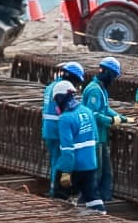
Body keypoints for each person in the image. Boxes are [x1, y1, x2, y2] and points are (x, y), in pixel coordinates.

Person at [82, 56, 130, 203]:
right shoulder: (95, 91)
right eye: (114, 76)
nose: (114, 79)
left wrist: (121, 117)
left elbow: (105, 108)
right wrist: (110, 121)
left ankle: (105, 199)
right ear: (108, 73)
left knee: (106, 172)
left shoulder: (101, 89)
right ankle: (87, 200)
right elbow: (92, 113)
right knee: (96, 171)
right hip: (94, 137)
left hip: (101, 136)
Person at [52, 82, 105, 214]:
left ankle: (59, 222)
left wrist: (66, 171)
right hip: (90, 164)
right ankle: (102, 216)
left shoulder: (65, 118)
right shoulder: (87, 111)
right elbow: (96, 138)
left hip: (74, 165)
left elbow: (67, 149)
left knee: (59, 197)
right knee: (92, 197)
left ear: (60, 98)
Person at [42, 62, 86, 197]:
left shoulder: (51, 86)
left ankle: (54, 188)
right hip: (57, 130)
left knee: (55, 159)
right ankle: (56, 191)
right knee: (61, 160)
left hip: (48, 129)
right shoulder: (61, 89)